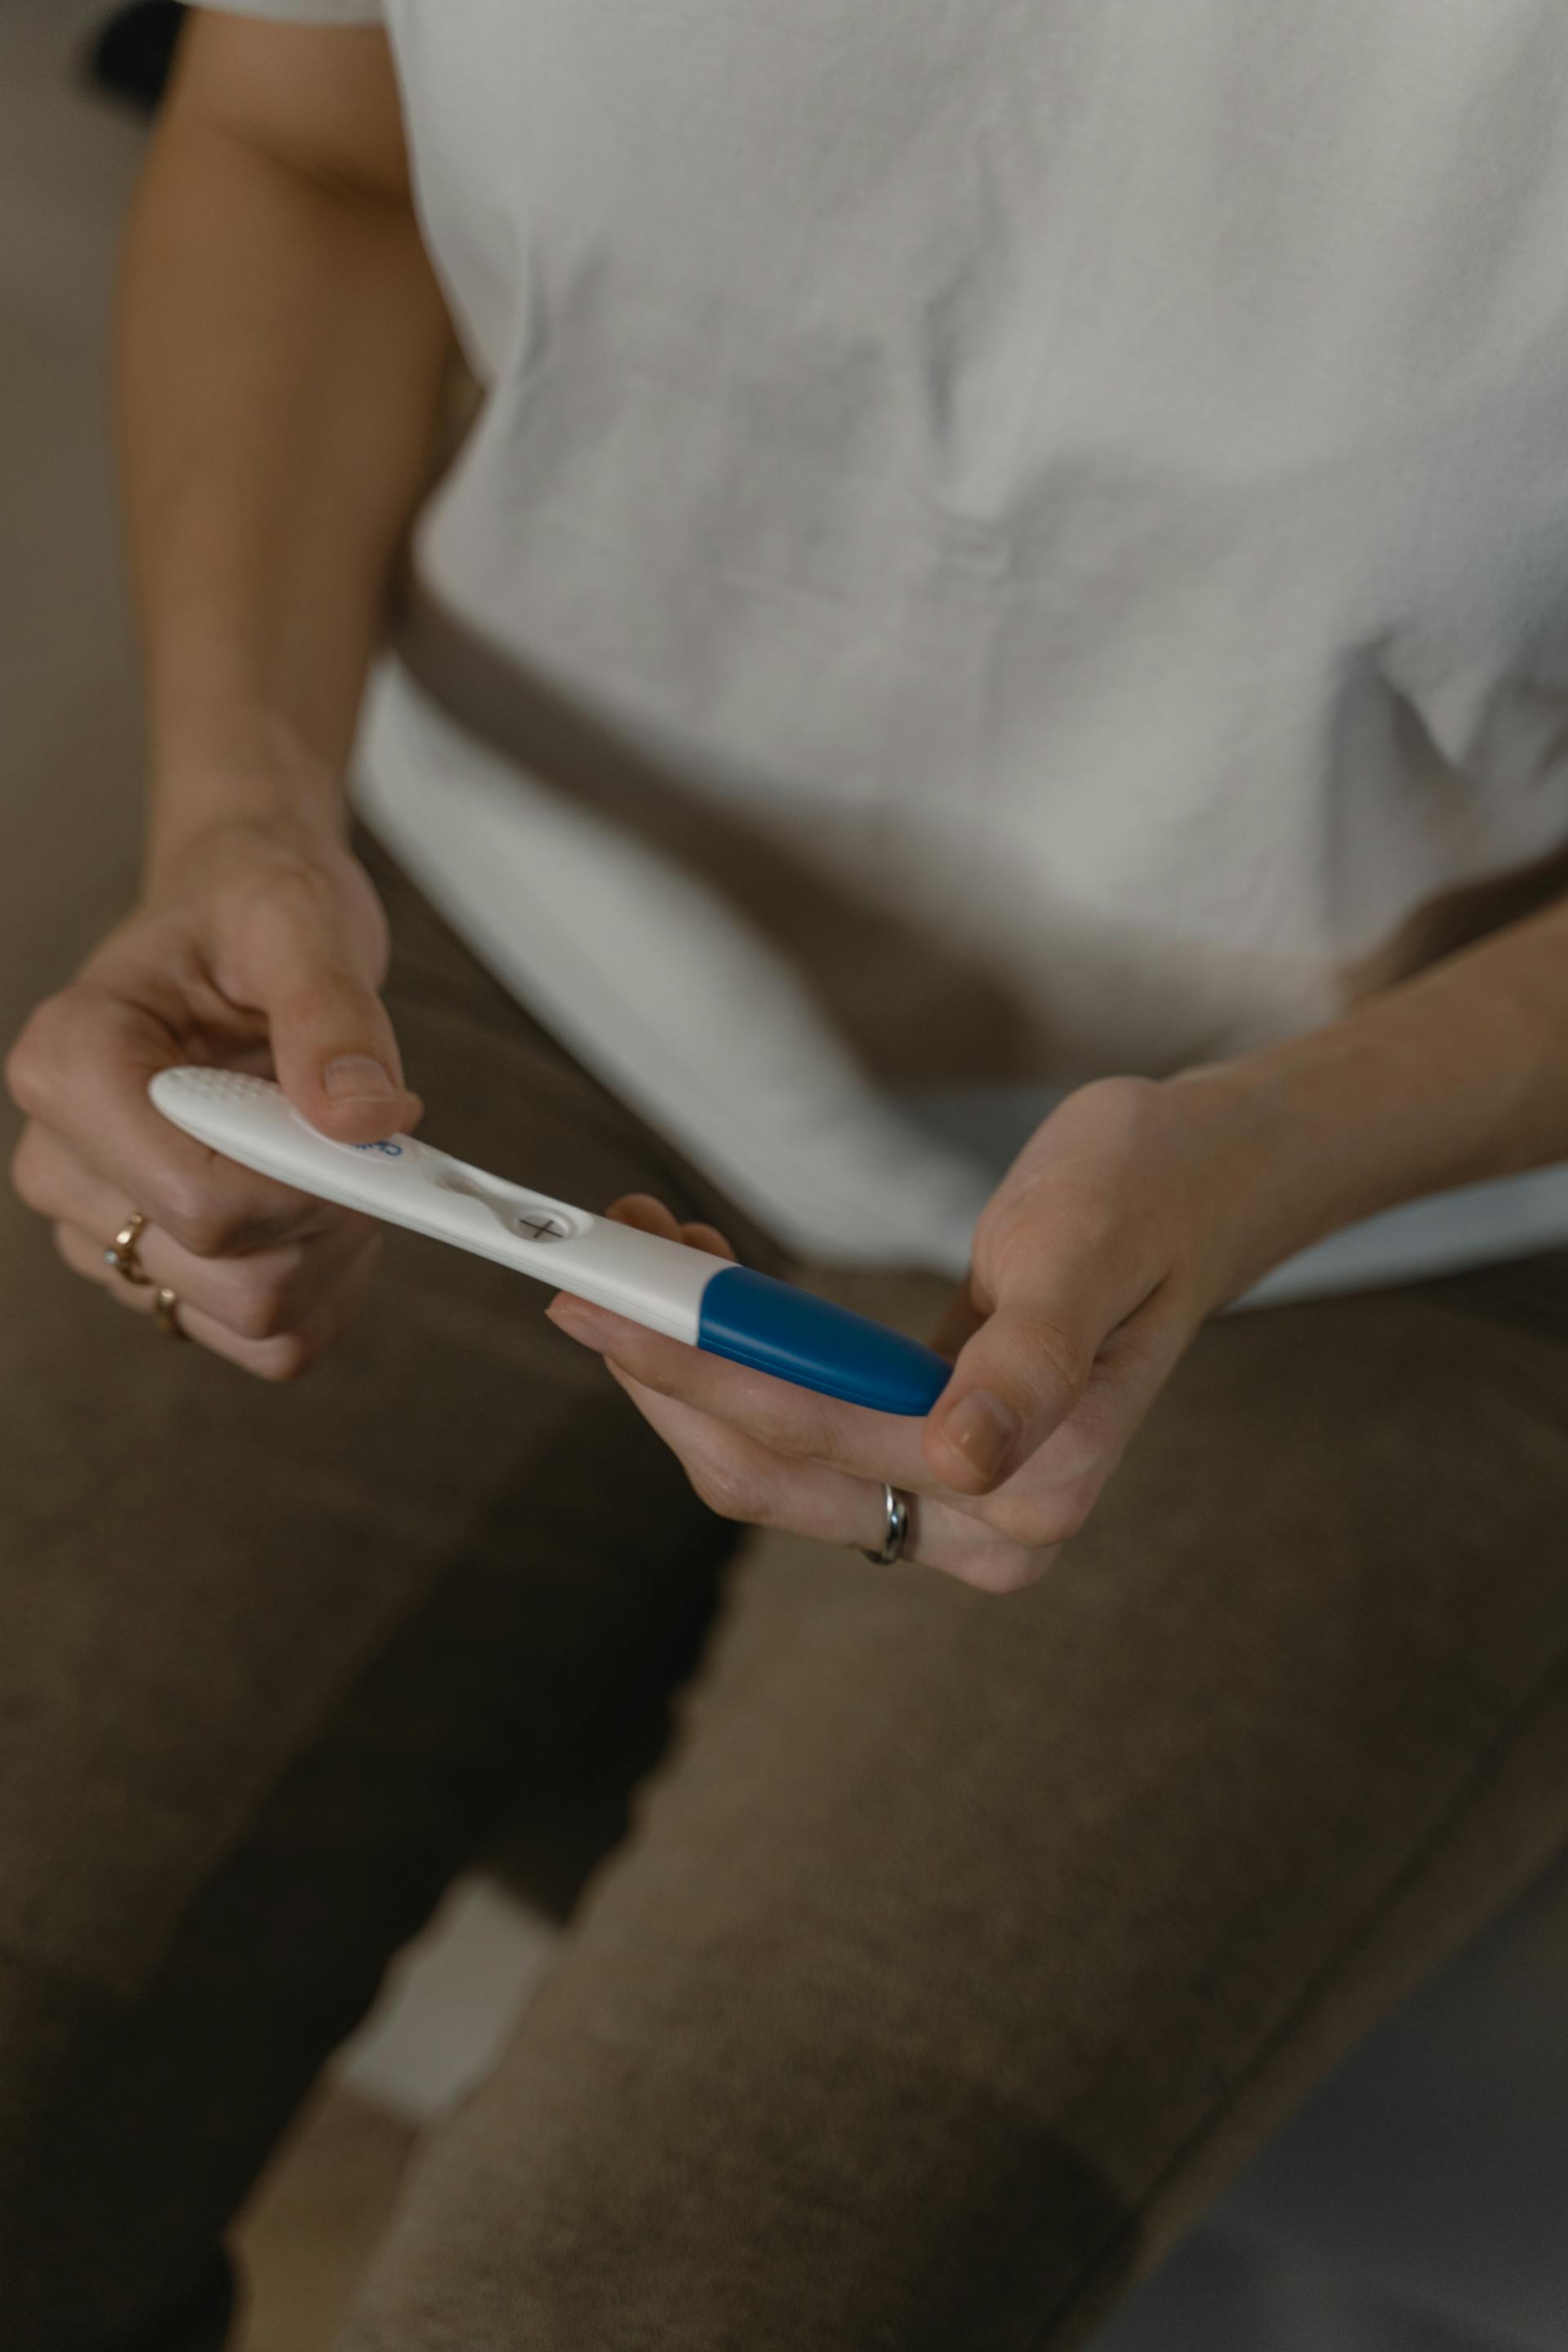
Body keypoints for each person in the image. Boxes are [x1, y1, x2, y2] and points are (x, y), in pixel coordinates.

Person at [6, 4, 1568, 2346]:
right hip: (457, 944)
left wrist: (1279, 1151)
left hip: (1390, 1189)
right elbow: (305, 140)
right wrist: (238, 795)